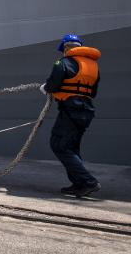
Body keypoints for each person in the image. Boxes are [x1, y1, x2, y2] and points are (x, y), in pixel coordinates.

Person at [41, 34, 102, 198]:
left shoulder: (63, 63)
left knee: (59, 145)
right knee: (72, 147)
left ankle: (89, 182)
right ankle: (79, 184)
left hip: (70, 110)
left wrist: (45, 88)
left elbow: (53, 85)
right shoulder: (93, 66)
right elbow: (93, 92)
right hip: (86, 111)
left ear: (66, 48)